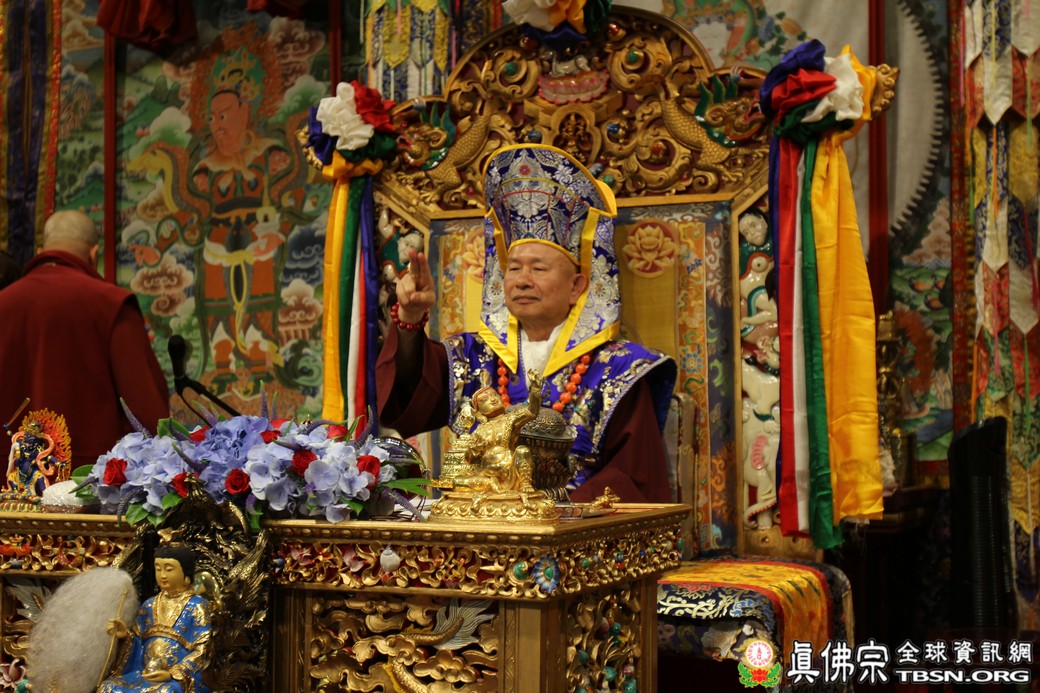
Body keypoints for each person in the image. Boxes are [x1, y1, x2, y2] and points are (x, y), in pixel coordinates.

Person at [377, 144, 677, 503]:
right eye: (514, 268)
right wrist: (410, 319)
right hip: (478, 516)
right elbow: (408, 404)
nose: (521, 280)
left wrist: (554, 512)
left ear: (576, 287)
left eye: (538, 268)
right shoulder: (473, 356)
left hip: (572, 522)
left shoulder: (619, 367)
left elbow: (634, 476)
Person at [0, 210, 169, 469]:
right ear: (94, 253)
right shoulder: (110, 305)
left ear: (41, 250)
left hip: (9, 479)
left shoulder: (4, 304)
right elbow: (148, 414)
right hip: (88, 481)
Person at [100, 545, 212, 692]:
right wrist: (126, 636)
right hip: (144, 673)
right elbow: (138, 644)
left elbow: (202, 649)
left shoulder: (197, 606)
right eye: (158, 569)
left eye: (169, 569)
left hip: (177, 679)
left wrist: (173, 673)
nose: (162, 575)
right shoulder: (149, 605)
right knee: (108, 687)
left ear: (185, 573)